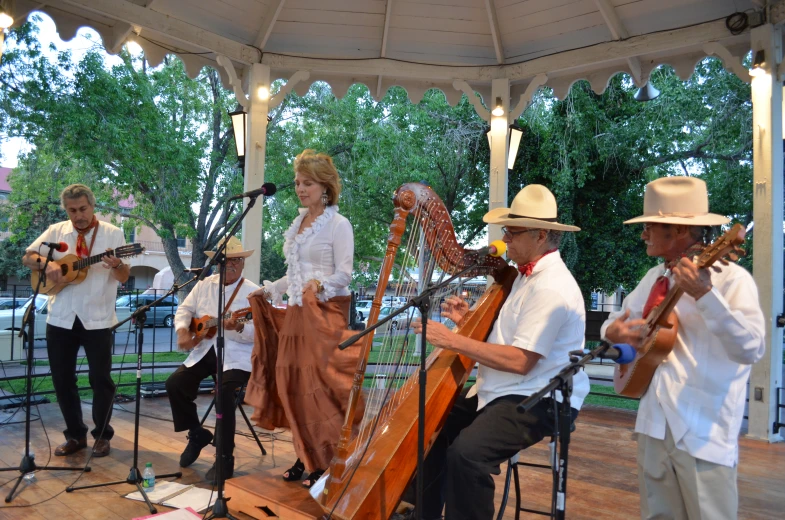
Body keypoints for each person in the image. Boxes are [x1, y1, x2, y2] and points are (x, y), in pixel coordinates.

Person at [407, 184, 590, 520]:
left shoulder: (552, 288)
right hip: (503, 390)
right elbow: (512, 338)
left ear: (540, 235)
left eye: (513, 232)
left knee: (467, 454)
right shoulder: (523, 276)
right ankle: (424, 513)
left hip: (541, 397)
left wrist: (452, 339)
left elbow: (521, 361)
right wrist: (467, 322)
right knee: (429, 427)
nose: (505, 239)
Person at [601, 176, 765, 520]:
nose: (643, 233)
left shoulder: (732, 280)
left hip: (702, 429)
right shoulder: (652, 278)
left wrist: (706, 296)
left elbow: (751, 348)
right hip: (653, 424)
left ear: (677, 230)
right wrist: (613, 330)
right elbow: (615, 323)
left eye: (650, 225)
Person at [244, 149, 357, 488]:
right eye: (297, 183)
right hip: (295, 312)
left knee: (317, 389)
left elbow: (345, 274)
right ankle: (304, 454)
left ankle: (325, 460)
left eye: (307, 183)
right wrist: (270, 289)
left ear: (325, 186)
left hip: (324, 314)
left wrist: (320, 283)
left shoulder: (339, 224)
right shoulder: (297, 225)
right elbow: (294, 273)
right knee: (292, 386)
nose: (300, 188)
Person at [22, 184, 130, 457]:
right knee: (62, 379)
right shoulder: (56, 231)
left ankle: (102, 436)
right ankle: (75, 436)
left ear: (92, 205)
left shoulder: (113, 233)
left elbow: (124, 276)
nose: (78, 215)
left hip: (97, 318)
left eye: (82, 209)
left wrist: (116, 265)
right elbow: (28, 256)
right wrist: (50, 265)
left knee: (100, 379)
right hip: (60, 317)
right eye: (72, 210)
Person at [166, 237, 259, 484]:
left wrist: (238, 327)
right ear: (218, 263)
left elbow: (259, 333)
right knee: (174, 384)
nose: (231, 265)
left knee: (224, 395)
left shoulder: (253, 292)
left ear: (243, 263)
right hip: (205, 349)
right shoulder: (205, 285)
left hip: (236, 356)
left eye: (236, 261)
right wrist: (183, 331)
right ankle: (197, 434)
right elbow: (184, 311)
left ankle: (224, 458)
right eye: (226, 261)